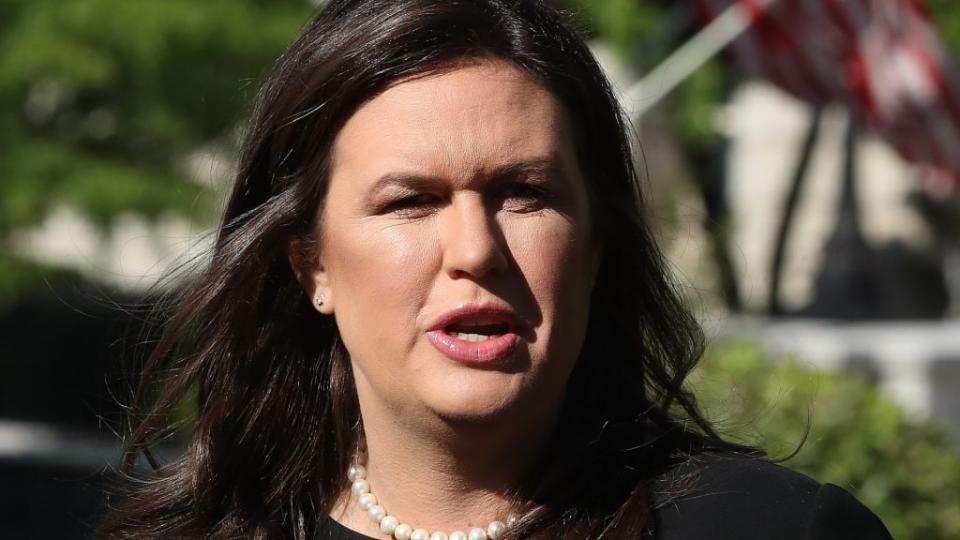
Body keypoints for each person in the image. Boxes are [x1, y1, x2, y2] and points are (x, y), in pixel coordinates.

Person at [99, 1, 893, 539]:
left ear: (595, 249)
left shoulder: (778, 529)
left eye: (524, 193)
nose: (475, 250)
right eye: (411, 201)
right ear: (311, 264)